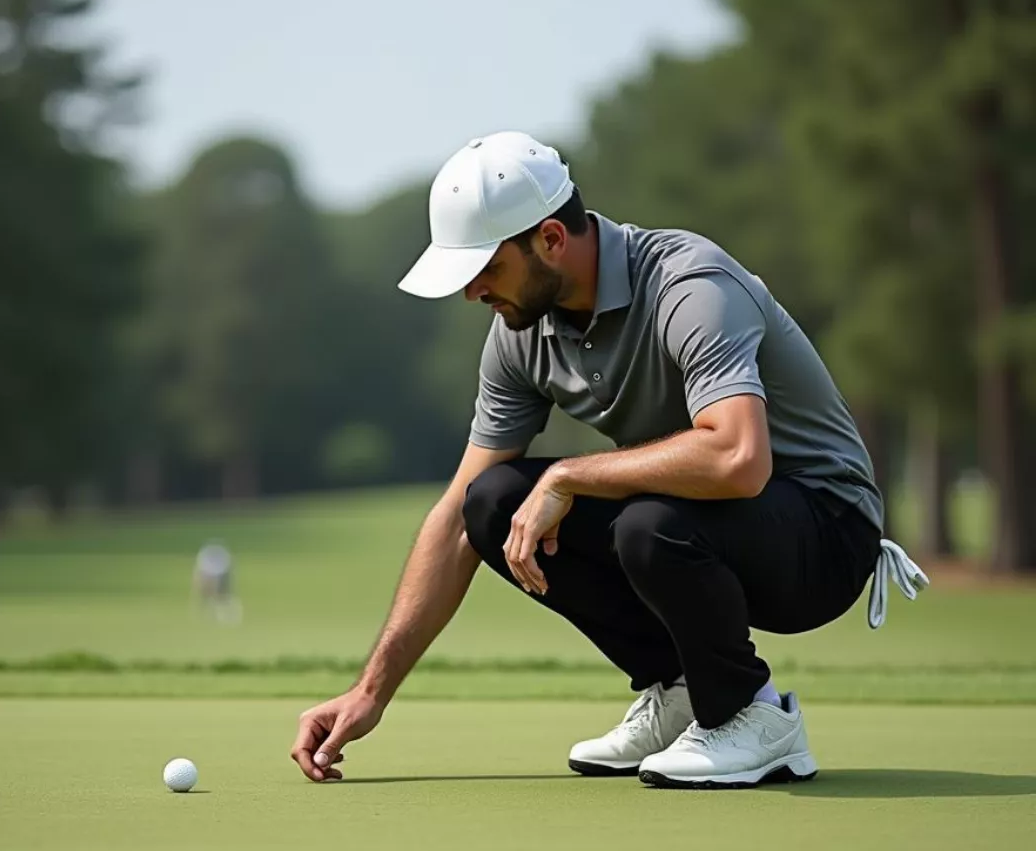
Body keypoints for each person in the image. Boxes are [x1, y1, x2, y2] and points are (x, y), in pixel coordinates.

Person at [291, 132, 926, 788]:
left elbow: (740, 458)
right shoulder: (519, 333)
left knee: (645, 524)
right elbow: (457, 517)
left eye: (486, 269)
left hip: (824, 536)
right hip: (702, 525)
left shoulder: (689, 283)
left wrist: (568, 475)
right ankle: (679, 690)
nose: (473, 292)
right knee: (494, 503)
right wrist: (371, 691)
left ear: (551, 240)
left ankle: (754, 716)